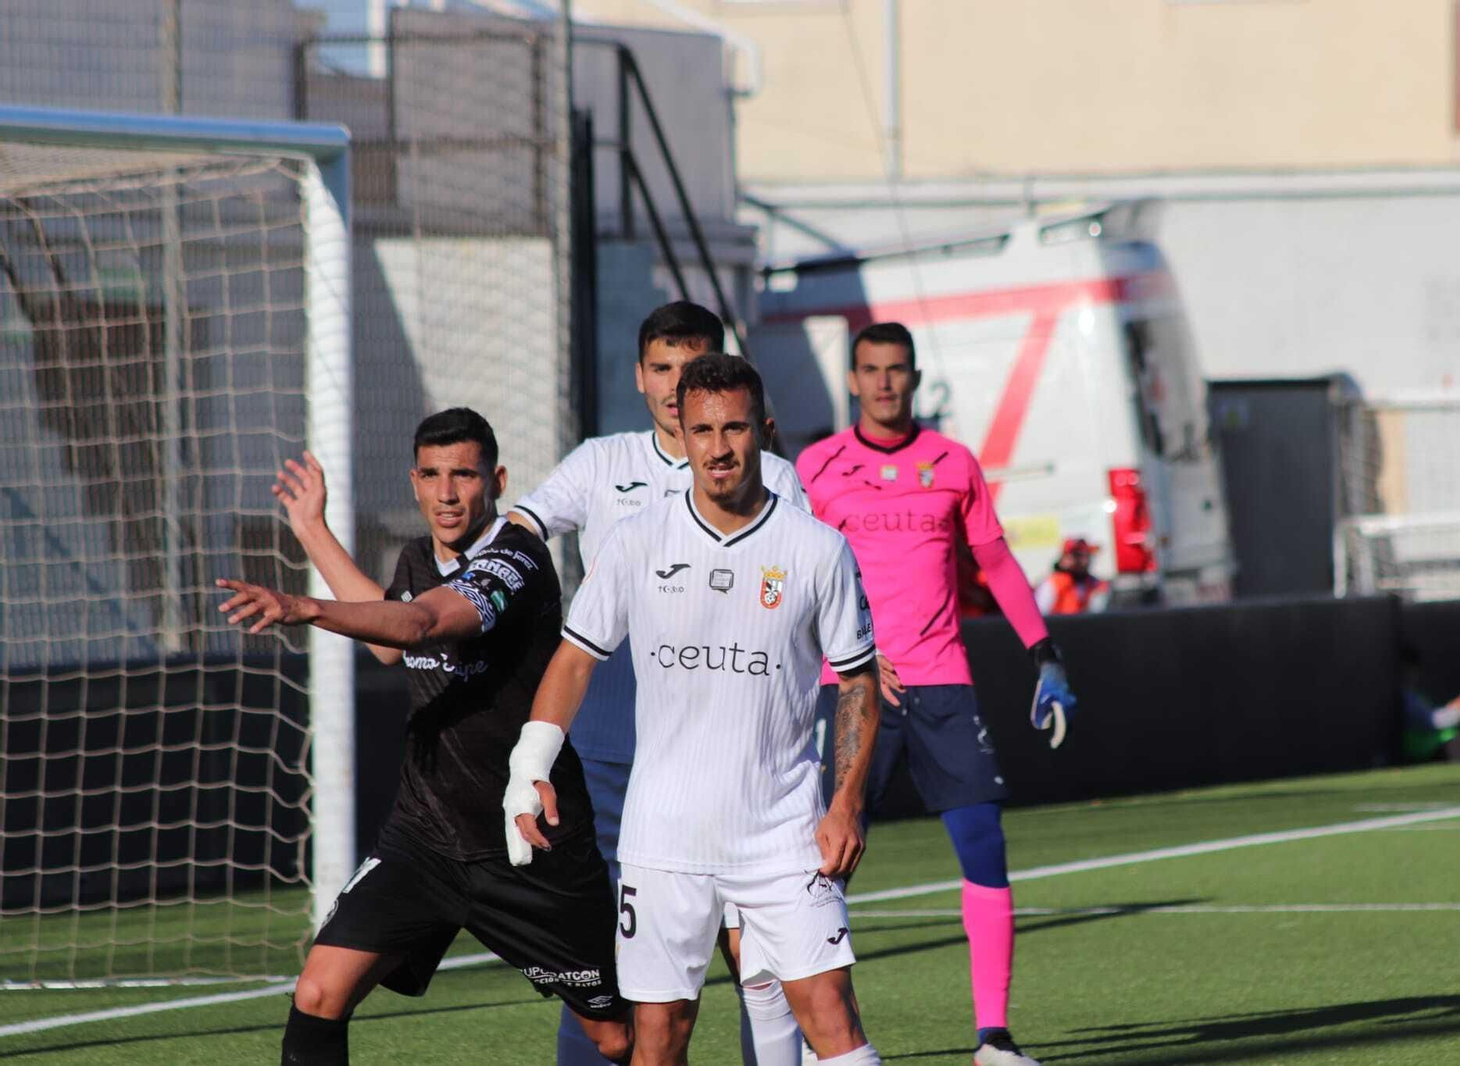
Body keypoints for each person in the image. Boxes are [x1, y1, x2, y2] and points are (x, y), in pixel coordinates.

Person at [214, 409, 630, 1066]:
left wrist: (303, 606)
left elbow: (415, 626)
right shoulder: (415, 556)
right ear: (413, 481)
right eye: (432, 475)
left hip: (525, 840)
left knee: (618, 1037)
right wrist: (312, 530)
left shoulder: (519, 557)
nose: (446, 493)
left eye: (463, 474)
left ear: (495, 478)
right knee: (319, 991)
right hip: (424, 840)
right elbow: (389, 646)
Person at [505, 354, 884, 1066]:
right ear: (680, 426)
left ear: (760, 431)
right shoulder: (636, 539)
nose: (719, 447)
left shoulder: (817, 549)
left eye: (735, 427)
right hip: (664, 838)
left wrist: (845, 803)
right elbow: (575, 659)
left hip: (784, 832)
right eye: (704, 428)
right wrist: (530, 766)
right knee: (660, 1037)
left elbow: (858, 681)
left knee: (832, 1018)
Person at [796, 322, 1077, 1066]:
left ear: (915, 379)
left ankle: (993, 1037)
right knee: (825, 859)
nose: (885, 382)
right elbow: (791, 577)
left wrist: (1044, 654)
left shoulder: (953, 463)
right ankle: (814, 1037)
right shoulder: (816, 467)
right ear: (852, 381)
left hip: (943, 681)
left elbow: (997, 561)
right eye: (871, 370)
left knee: (984, 841)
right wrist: (843, 655)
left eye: (897, 370)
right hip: (851, 687)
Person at [1035, 537, 1111, 616]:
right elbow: (1040, 615)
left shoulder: (1095, 584)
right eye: (1077, 555)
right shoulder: (1052, 583)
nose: (1083, 560)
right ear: (1064, 559)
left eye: (1087, 555)